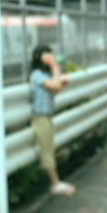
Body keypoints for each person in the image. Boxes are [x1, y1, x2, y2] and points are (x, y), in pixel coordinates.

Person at [29, 44, 76, 196]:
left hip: (47, 116)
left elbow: (56, 88)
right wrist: (55, 66)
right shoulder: (36, 75)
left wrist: (62, 82)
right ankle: (55, 183)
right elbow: (55, 85)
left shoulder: (45, 75)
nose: (52, 57)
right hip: (40, 117)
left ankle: (56, 182)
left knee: (49, 148)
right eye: (48, 55)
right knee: (47, 151)